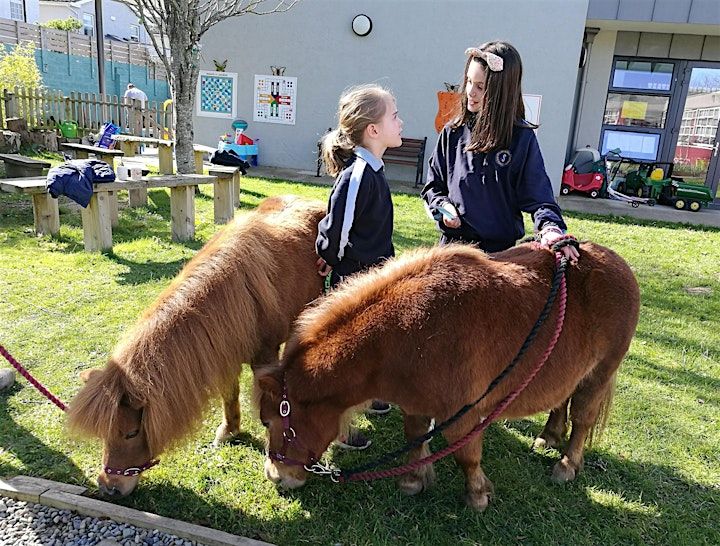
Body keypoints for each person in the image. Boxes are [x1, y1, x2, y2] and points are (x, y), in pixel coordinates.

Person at [422, 41, 579, 263]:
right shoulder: (452, 133)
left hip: (498, 261)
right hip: (451, 255)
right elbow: (433, 188)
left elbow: (540, 199)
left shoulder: (521, 138)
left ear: (501, 92)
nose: (470, 92)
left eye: (480, 86)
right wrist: (443, 207)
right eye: (468, 82)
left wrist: (551, 228)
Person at [316, 84, 403, 449]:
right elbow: (338, 228)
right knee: (347, 354)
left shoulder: (375, 170)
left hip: (374, 278)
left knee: (369, 345)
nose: (401, 122)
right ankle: (336, 426)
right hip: (353, 281)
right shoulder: (356, 176)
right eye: (394, 116)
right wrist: (328, 255)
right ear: (373, 130)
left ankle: (367, 398)